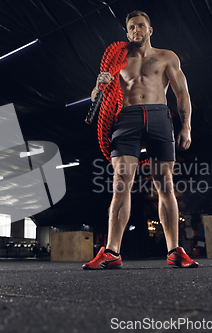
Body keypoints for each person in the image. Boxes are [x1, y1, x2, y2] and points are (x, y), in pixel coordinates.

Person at [83, 10, 198, 269]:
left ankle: (174, 251)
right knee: (121, 182)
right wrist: (97, 86)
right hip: (126, 118)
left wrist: (186, 127)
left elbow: (182, 94)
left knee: (165, 184)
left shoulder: (167, 57)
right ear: (127, 32)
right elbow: (96, 98)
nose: (136, 30)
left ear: (150, 30)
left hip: (159, 116)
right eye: (132, 27)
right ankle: (112, 252)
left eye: (141, 26)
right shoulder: (117, 60)